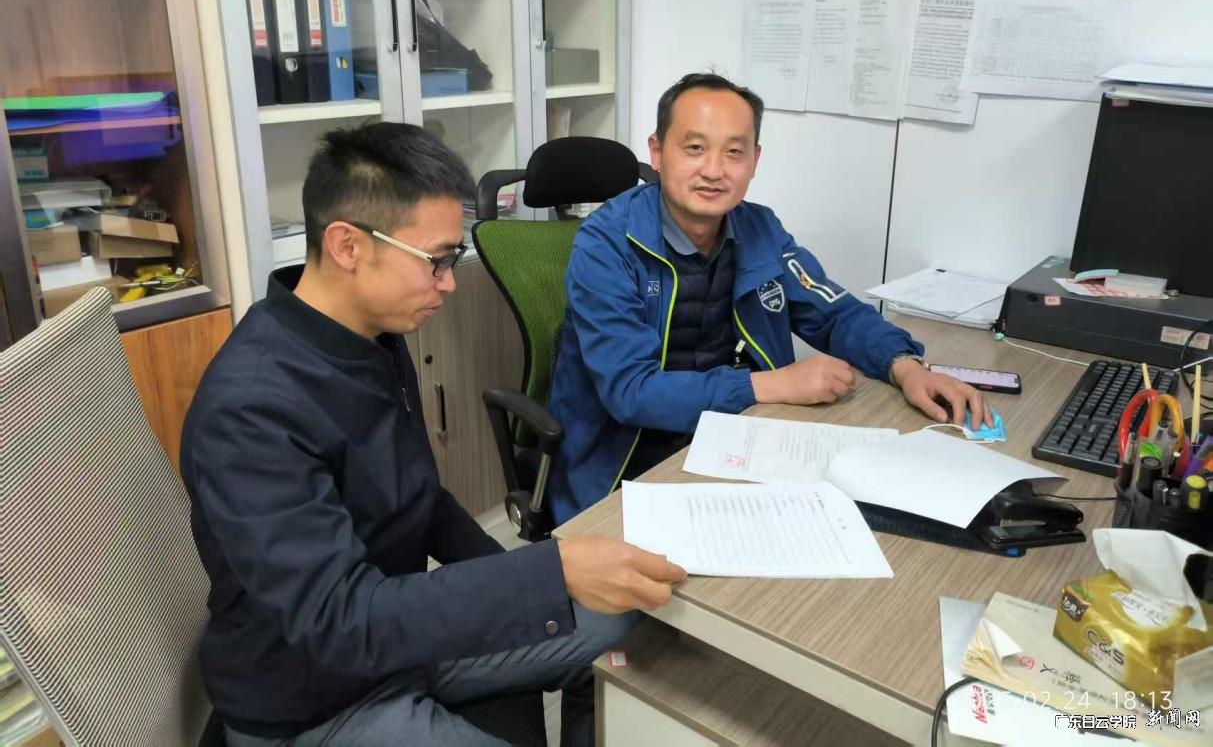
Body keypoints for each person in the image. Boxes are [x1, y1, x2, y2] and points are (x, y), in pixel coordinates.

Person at [180, 123, 686, 747]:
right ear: (347, 246)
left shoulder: (373, 336)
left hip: (401, 639)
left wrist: (533, 587)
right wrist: (547, 576)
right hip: (315, 697)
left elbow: (421, 499)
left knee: (622, 621)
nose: (448, 282)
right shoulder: (252, 408)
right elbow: (340, 621)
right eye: (437, 261)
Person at [546, 72, 993, 523]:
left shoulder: (761, 230)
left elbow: (834, 313)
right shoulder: (605, 245)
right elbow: (631, 392)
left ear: (755, 160)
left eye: (734, 151)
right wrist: (774, 385)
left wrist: (904, 366)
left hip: (740, 441)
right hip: (622, 465)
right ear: (658, 152)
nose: (714, 170)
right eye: (695, 148)